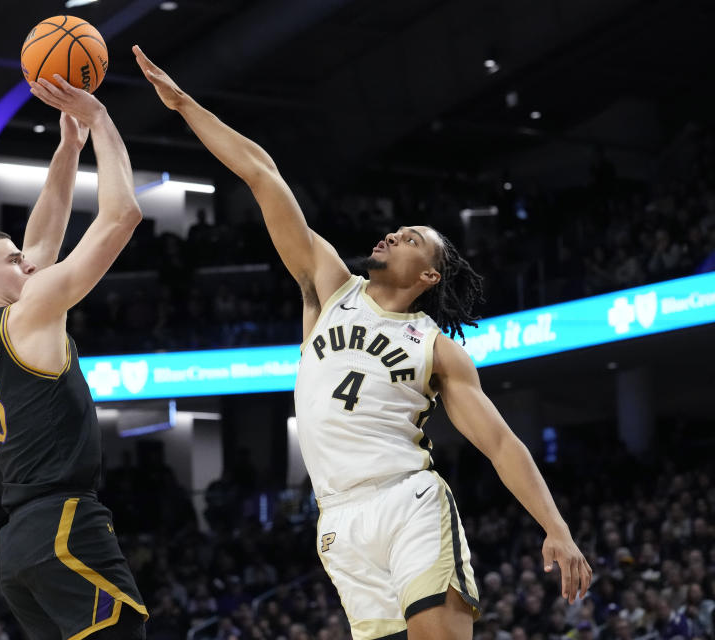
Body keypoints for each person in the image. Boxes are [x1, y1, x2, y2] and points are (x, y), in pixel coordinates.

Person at [134, 46, 592, 640]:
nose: (394, 232)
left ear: (430, 275)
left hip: (407, 500)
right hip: (337, 520)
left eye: (413, 239)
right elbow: (260, 173)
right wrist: (185, 105)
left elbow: (501, 444)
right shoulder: (328, 285)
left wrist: (555, 526)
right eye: (397, 231)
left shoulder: (436, 347)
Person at [0, 75, 147, 640]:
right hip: (64, 524)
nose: (29, 264)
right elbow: (121, 215)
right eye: (13, 261)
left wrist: (68, 149)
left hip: (20, 547)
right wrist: (101, 118)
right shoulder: (27, 314)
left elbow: (41, 241)